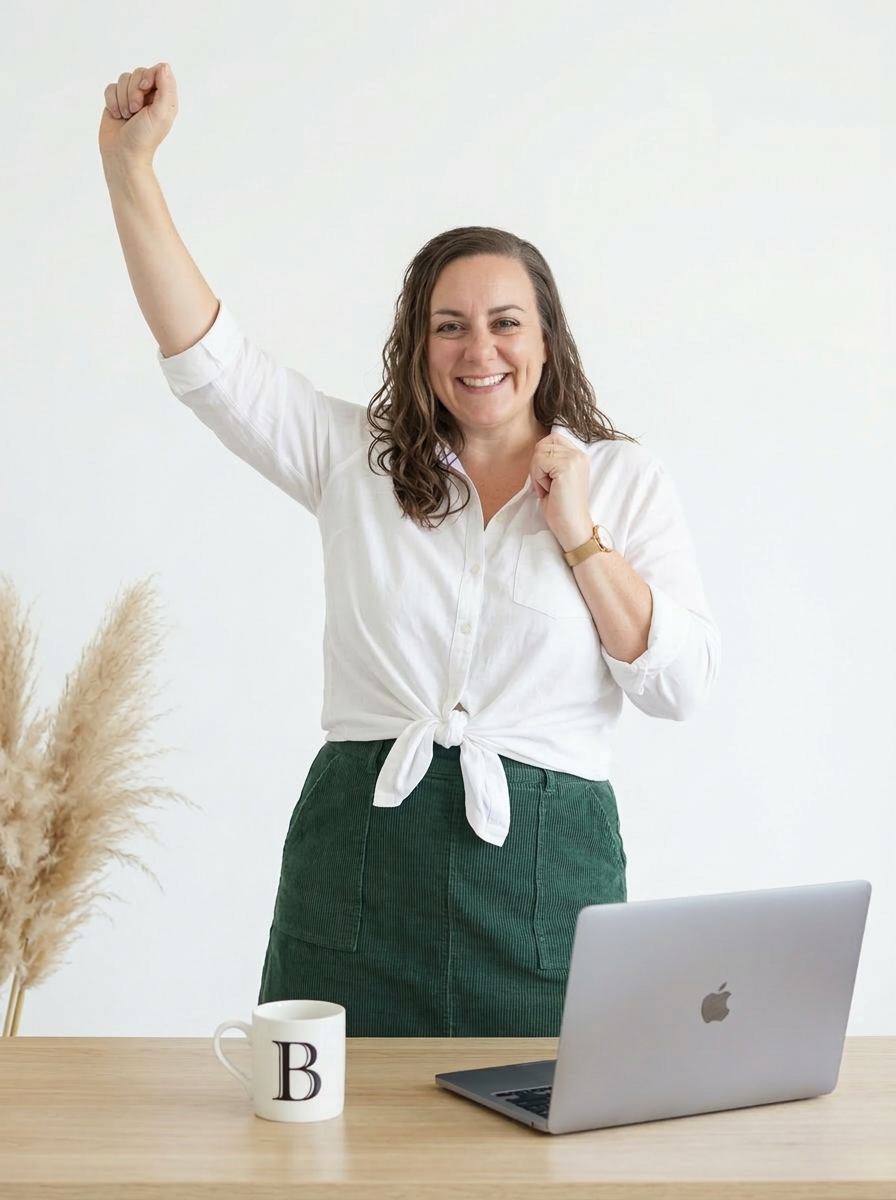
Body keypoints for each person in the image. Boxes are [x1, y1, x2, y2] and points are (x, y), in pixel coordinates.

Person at [100, 63, 721, 1038]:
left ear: (544, 341)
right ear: (418, 348)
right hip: (356, 870)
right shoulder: (354, 460)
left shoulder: (621, 482)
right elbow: (209, 364)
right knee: (323, 1157)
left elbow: (678, 685)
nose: (480, 349)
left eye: (505, 322)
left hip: (543, 886)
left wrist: (581, 538)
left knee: (541, 1161)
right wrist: (127, 166)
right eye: (450, 326)